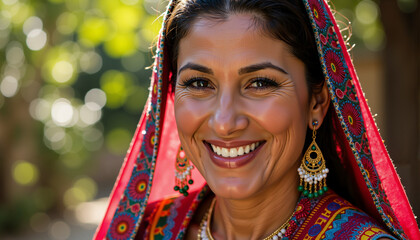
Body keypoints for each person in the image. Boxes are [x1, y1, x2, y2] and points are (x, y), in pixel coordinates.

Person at [94, 0, 420, 239]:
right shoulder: (148, 231)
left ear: (317, 104)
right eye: (199, 83)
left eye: (260, 83)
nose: (224, 122)